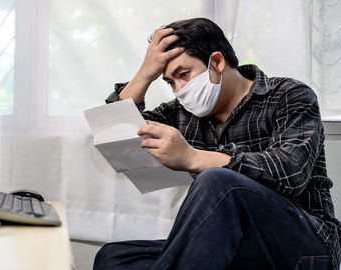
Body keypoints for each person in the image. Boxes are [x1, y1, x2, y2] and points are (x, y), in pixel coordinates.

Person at [93, 17, 341, 270]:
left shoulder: (289, 94)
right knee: (114, 257)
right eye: (170, 82)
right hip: (232, 241)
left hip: (303, 245)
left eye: (183, 74)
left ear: (217, 62)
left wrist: (193, 157)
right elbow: (115, 133)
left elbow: (292, 172)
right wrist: (144, 75)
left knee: (218, 180)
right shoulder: (182, 114)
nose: (179, 89)